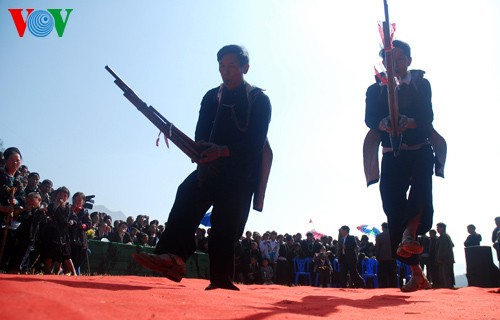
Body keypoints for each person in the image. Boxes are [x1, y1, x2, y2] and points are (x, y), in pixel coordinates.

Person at [132, 44, 272, 291]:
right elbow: (200, 132)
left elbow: (255, 144)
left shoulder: (259, 100)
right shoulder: (211, 97)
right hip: (211, 168)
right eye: (221, 66)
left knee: (225, 225)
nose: (225, 72)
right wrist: (199, 150)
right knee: (186, 194)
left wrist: (223, 151)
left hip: (242, 173)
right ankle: (173, 257)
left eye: (230, 67)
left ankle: (221, 281)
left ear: (245, 68)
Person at [364, 40, 446, 292]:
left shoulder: (421, 84)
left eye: (399, 58)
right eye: (389, 59)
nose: (393, 64)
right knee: (391, 204)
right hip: (392, 153)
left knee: (420, 194)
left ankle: (411, 232)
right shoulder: (375, 89)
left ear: (408, 60)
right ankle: (416, 272)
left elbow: (426, 117)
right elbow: (370, 118)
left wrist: (408, 122)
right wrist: (383, 123)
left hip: (420, 150)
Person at [0, 147, 24, 270]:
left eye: (18, 160)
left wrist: (16, 201)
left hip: (11, 220)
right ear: (6, 160)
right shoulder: (1, 176)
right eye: (12, 160)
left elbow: (22, 198)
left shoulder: (18, 180)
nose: (15, 163)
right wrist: (2, 208)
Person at [375, 222, 397, 288]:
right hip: (392, 258)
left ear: (382, 227)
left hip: (382, 258)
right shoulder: (394, 235)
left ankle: (384, 287)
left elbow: (377, 247)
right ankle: (393, 288)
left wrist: (377, 256)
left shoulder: (379, 236)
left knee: (383, 275)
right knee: (392, 275)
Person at [435, 222, 455, 289]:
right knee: (443, 275)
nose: (437, 229)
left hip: (445, 259)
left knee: (445, 275)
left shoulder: (444, 236)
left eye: (438, 228)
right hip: (444, 259)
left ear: (442, 228)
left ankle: (447, 289)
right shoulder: (443, 236)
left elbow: (444, 248)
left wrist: (441, 257)